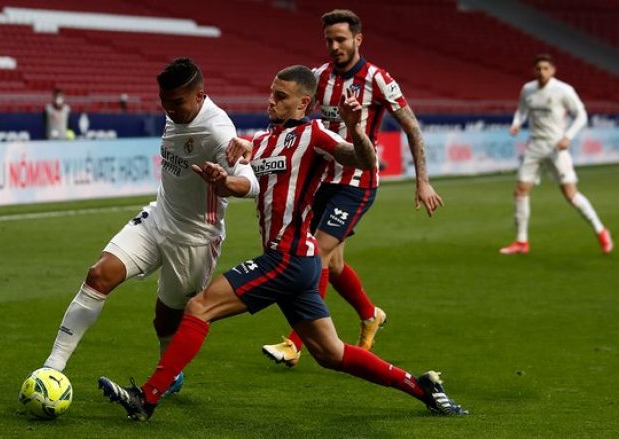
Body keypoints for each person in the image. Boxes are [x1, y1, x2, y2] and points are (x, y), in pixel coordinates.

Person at [97, 65, 467, 420]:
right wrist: (222, 176)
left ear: (303, 104)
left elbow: (364, 161)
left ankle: (147, 397)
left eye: (281, 96)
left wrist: (356, 129)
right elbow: (240, 176)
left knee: (199, 307)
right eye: (271, 94)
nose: (270, 102)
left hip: (287, 258)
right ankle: (422, 388)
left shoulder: (316, 134)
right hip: (298, 263)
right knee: (330, 353)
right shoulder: (263, 141)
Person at [40, 58, 259, 396]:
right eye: (164, 102)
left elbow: (251, 183)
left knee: (165, 319)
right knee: (98, 275)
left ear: (200, 96)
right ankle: (51, 370)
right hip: (158, 218)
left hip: (195, 239)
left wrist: (227, 184)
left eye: (177, 104)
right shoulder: (177, 112)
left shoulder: (218, 131)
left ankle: (169, 376)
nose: (169, 110)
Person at [262, 9, 444, 367]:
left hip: (356, 184)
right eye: (329, 40)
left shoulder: (378, 79)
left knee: (318, 255)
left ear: (358, 39)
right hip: (320, 183)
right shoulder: (317, 78)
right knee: (337, 262)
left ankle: (296, 343)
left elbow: (411, 127)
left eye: (341, 39)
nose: (334, 46)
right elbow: (296, 119)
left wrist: (422, 179)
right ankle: (369, 314)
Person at [500, 54, 612, 254]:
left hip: (556, 148)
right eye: (538, 69)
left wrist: (568, 136)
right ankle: (521, 241)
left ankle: (601, 230)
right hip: (534, 145)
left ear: (553, 70)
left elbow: (582, 115)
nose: (542, 72)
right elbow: (522, 110)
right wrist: (517, 123)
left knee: (570, 194)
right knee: (520, 190)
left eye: (545, 68)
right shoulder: (528, 89)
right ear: (534, 71)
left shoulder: (563, 90)